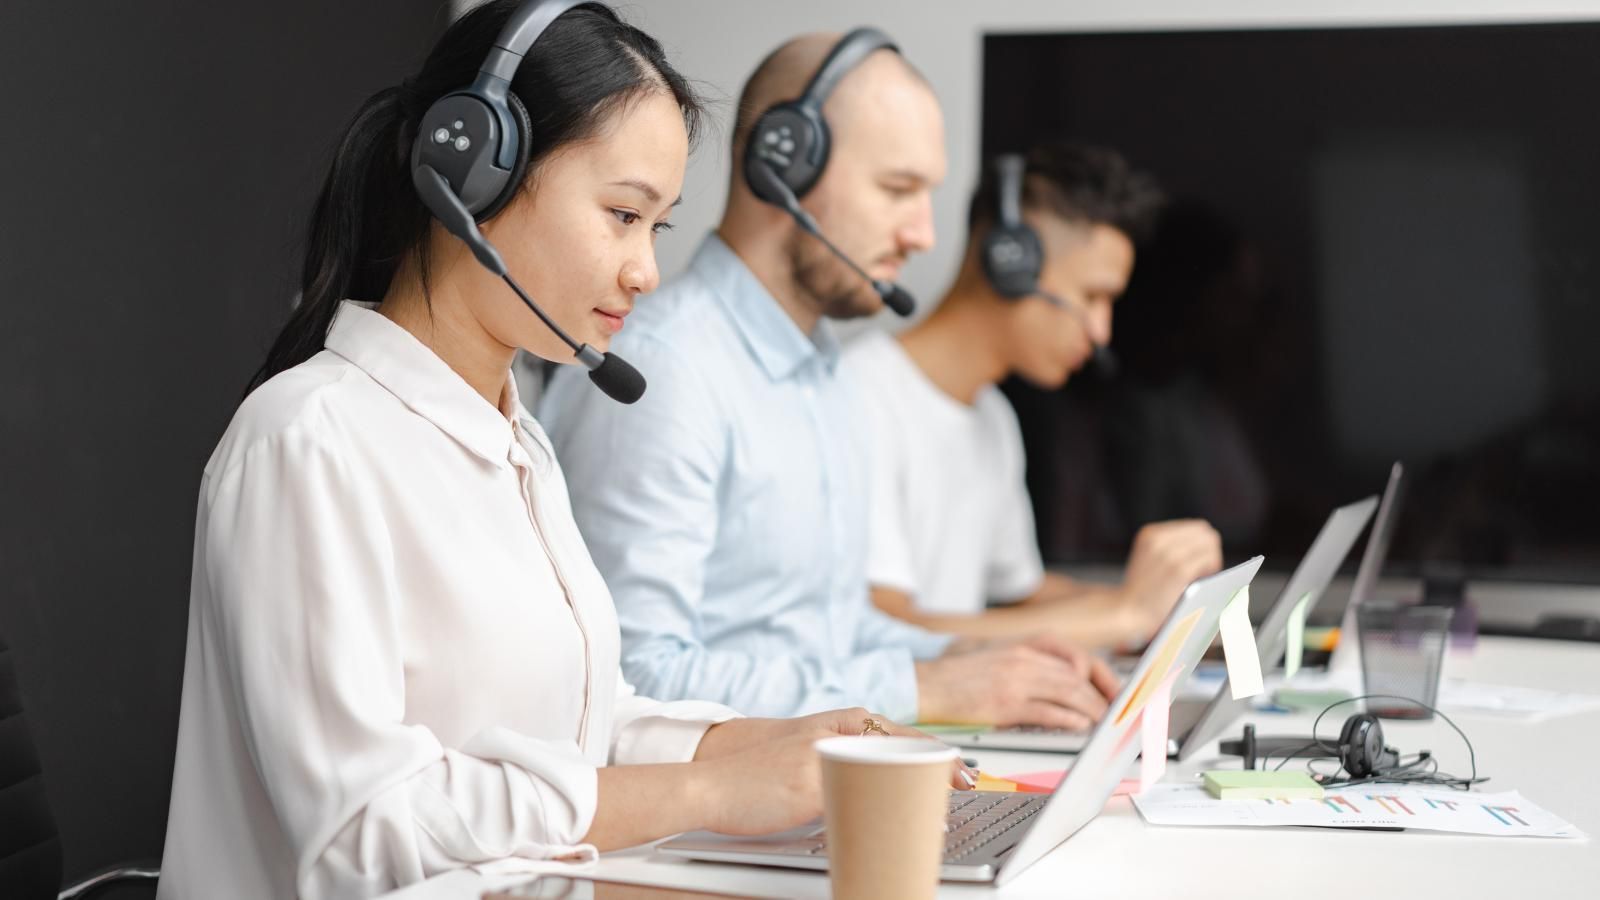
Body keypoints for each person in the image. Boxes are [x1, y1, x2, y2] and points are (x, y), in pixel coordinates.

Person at [158, 5, 965, 898]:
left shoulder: (518, 443)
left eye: (655, 227)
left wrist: (757, 744)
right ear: (472, 172)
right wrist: (704, 790)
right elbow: (363, 831)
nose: (646, 270)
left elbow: (578, 723)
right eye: (622, 214)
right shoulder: (308, 441)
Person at [540, 31, 1119, 732]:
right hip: (693, 828)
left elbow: (831, 631)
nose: (924, 235)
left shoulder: (825, 374)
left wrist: (978, 657)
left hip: (810, 793)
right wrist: (927, 690)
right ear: (785, 160)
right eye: (898, 189)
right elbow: (633, 675)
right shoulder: (668, 372)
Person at [846, 144, 1224, 650]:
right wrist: (1122, 616)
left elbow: (1023, 595)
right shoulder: (860, 396)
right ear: (1010, 261)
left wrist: (1164, 606)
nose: (1101, 332)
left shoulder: (992, 418)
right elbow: (889, 631)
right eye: (1092, 296)